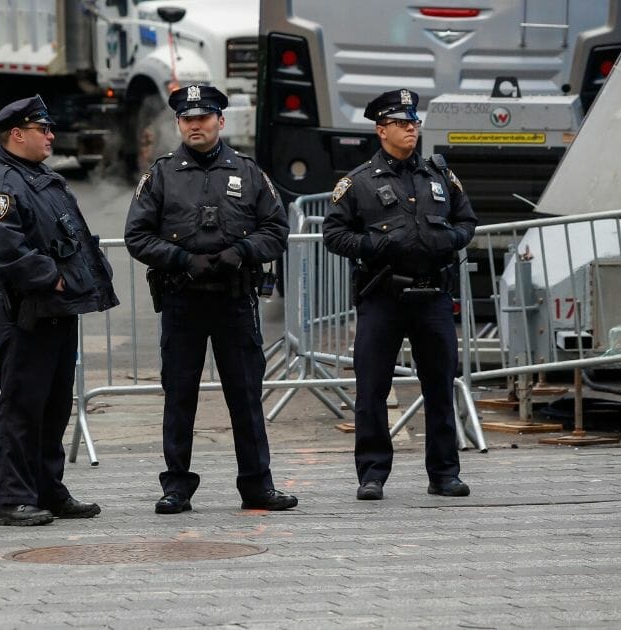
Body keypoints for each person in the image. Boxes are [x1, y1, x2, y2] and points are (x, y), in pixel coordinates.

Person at [124, 84, 298, 514]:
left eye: (203, 118)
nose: (195, 125)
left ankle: (257, 485)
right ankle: (176, 487)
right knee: (180, 396)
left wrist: (240, 252)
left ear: (220, 121)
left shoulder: (249, 172)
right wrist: (181, 258)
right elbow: (137, 236)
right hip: (183, 302)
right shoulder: (161, 175)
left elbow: (276, 229)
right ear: (179, 123)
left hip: (233, 301)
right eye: (187, 119)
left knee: (245, 396)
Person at [322, 89, 478, 501]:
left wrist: (450, 239)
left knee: (440, 387)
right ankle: (372, 474)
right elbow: (334, 234)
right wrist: (372, 246)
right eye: (401, 123)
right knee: (372, 389)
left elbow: (467, 219)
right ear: (381, 130)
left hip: (433, 297)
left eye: (414, 123)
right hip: (383, 298)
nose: (411, 129)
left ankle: (444, 474)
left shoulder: (439, 175)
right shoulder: (358, 182)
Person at [0, 95, 119, 526]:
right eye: (43, 129)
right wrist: (52, 278)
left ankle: (48, 490)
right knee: (22, 405)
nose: (51, 136)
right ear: (17, 134)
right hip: (24, 312)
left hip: (56, 308)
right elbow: (3, 250)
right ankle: (12, 499)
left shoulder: (39, 178)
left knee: (53, 405)